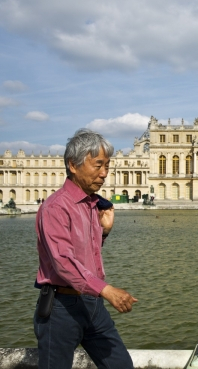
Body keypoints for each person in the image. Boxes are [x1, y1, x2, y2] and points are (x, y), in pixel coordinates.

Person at [34, 129, 137, 368]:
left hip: (92, 305)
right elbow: (63, 263)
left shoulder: (91, 205)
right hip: (61, 307)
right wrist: (107, 290)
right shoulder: (55, 208)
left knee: (121, 365)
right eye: (98, 165)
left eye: (107, 166)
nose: (104, 174)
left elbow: (84, 253)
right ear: (73, 165)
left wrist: (104, 232)